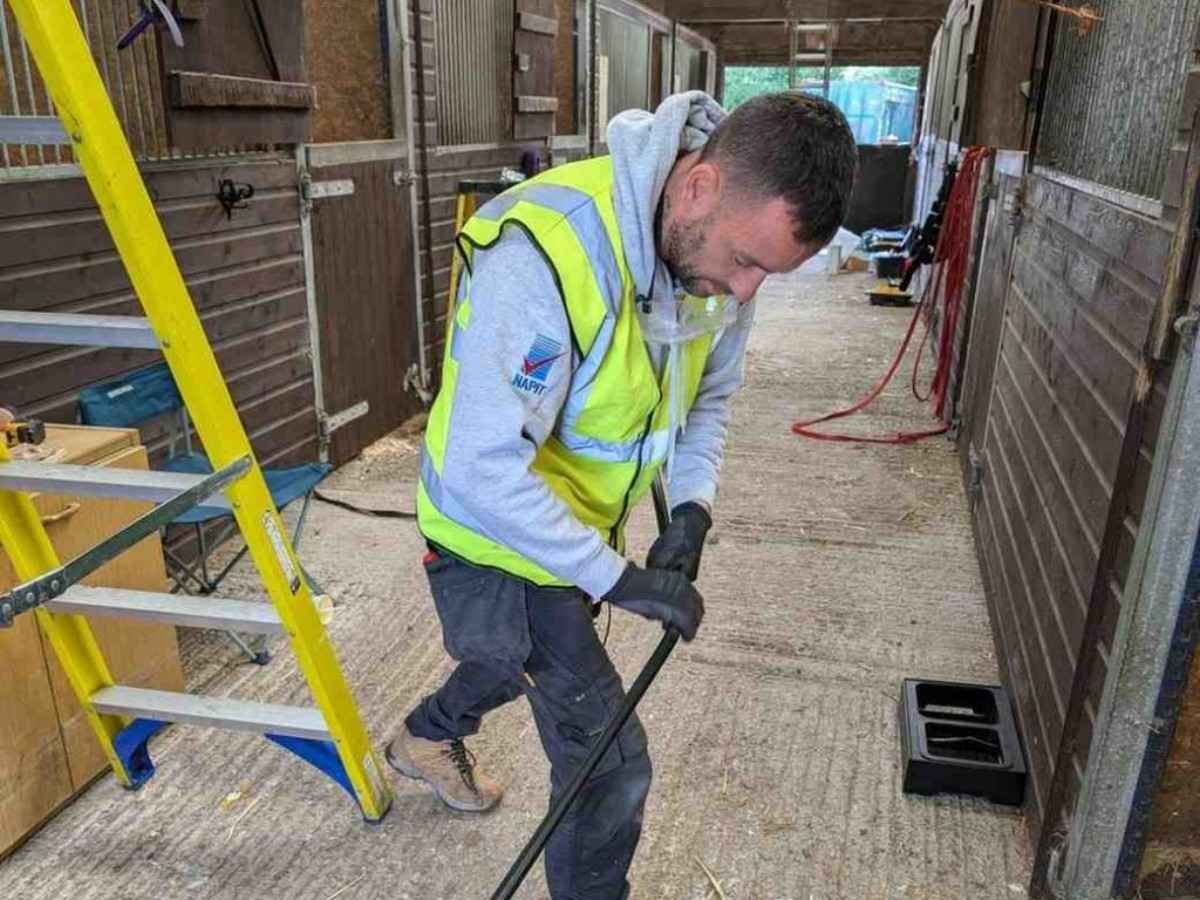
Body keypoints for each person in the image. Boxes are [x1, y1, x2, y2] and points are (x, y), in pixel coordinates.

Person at [387, 90, 856, 899]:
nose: (743, 294)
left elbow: (708, 398)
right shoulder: (547, 253)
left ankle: (423, 739)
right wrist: (618, 579)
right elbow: (480, 468)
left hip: (568, 525)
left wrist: (691, 507)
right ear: (699, 187)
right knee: (606, 758)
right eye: (746, 263)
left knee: (512, 658)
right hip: (489, 535)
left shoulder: (715, 260)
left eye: (766, 276)